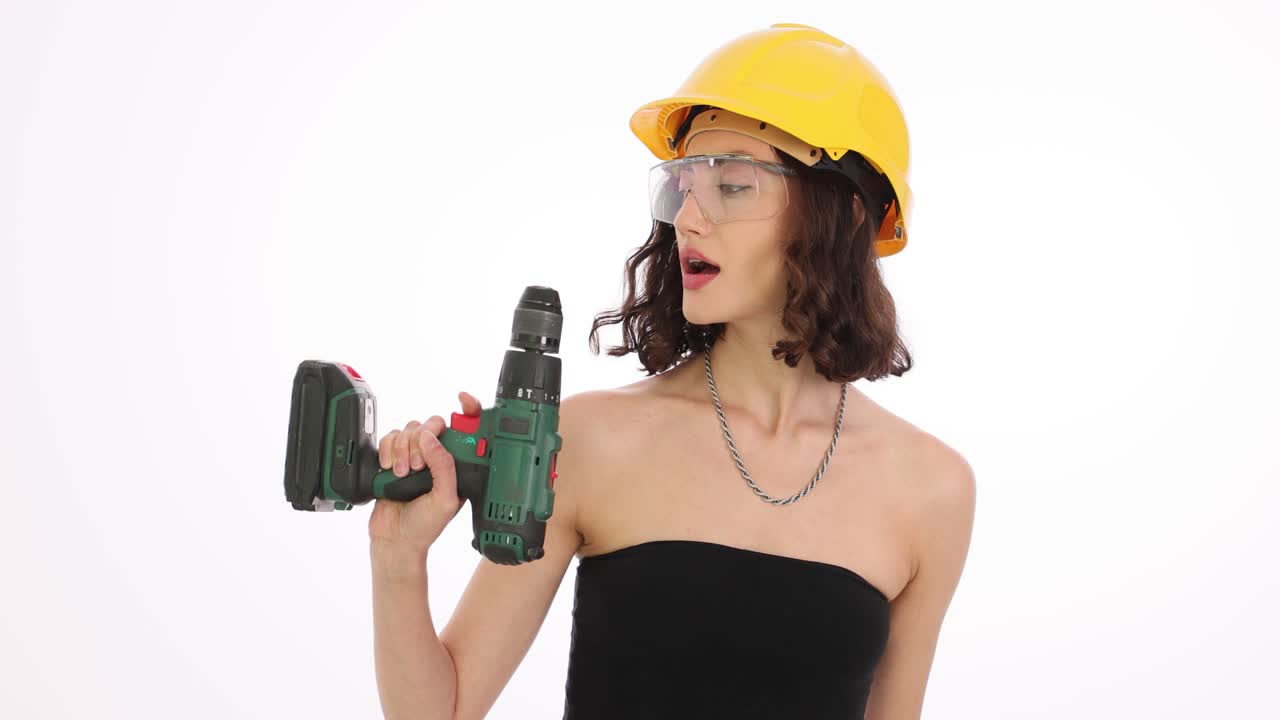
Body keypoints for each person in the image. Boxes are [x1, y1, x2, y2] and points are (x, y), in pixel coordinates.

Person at [368, 23, 976, 720]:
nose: (688, 217)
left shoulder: (932, 491)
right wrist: (397, 561)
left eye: (734, 185)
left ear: (842, 215)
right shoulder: (593, 439)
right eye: (682, 184)